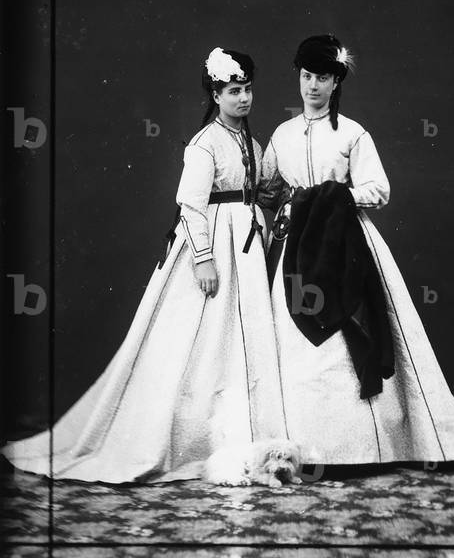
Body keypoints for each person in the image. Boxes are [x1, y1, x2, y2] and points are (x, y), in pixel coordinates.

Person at [2, 48, 288, 483]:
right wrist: (204, 260)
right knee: (199, 343)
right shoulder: (204, 144)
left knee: (243, 340)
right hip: (214, 246)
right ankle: (187, 441)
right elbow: (191, 205)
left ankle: (244, 441)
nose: (244, 98)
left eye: (248, 90)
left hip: (246, 250)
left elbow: (264, 188)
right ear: (216, 94)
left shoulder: (252, 142)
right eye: (234, 91)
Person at [259, 34, 454, 465]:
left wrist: (334, 197)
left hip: (343, 240)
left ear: (336, 82)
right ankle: (303, 445)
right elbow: (269, 189)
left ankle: (366, 449)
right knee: (294, 336)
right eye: (307, 76)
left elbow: (379, 189)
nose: (312, 86)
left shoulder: (353, 134)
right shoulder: (282, 135)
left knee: (351, 325)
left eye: (323, 78)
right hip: (296, 247)